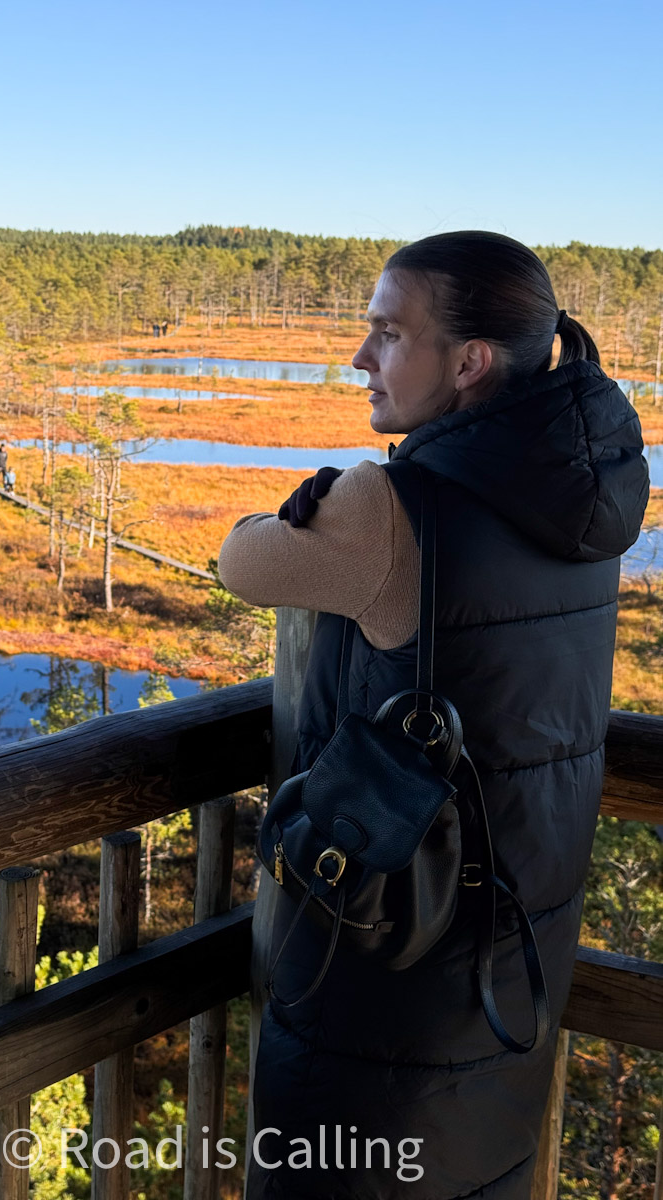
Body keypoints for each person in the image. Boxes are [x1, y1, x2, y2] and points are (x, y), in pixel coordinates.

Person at [217, 231, 649, 1199]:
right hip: (511, 950)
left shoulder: (388, 508)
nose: (360, 359)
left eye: (387, 334)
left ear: (469, 363)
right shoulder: (583, 499)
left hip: (385, 979)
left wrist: (318, 505)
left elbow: (241, 562)